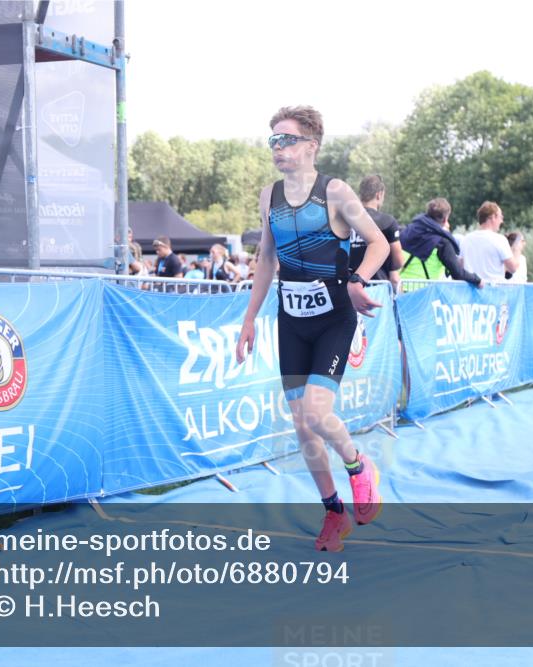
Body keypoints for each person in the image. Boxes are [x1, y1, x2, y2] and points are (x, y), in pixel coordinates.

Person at [235, 105, 388, 552]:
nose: (277, 149)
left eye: (286, 140)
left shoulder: (336, 192)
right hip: (291, 320)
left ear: (311, 146)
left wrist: (358, 280)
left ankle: (360, 467)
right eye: (273, 141)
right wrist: (249, 318)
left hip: (334, 316)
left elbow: (377, 243)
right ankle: (333, 514)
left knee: (318, 414)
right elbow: (267, 259)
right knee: (302, 426)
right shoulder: (269, 197)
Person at [399, 198, 482, 286]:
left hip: (401, 289)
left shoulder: (406, 232)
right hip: (425, 293)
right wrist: (477, 280)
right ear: (445, 219)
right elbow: (458, 273)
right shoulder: (442, 243)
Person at [351, 175, 403, 293]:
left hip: (349, 287)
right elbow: (398, 260)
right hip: (378, 287)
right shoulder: (387, 221)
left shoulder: (345, 219)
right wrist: (390, 268)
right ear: (379, 194)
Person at [462, 201, 518, 284]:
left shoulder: (466, 239)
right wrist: (516, 250)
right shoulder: (500, 240)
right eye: (500, 217)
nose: (501, 221)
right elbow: (513, 268)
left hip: (471, 292)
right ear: (492, 217)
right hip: (492, 292)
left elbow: (459, 266)